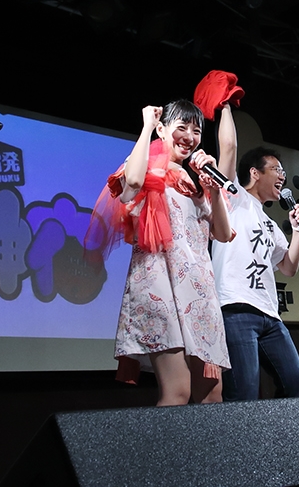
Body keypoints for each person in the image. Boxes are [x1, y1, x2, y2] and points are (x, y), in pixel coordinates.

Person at [88, 100, 234, 406]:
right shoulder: (145, 164)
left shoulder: (197, 180)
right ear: (162, 129)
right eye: (181, 127)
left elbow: (222, 234)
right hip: (159, 288)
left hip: (198, 293)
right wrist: (145, 126)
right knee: (177, 392)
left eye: (196, 131)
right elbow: (133, 182)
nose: (189, 137)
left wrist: (213, 188)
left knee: (212, 396)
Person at [210, 102, 299, 401]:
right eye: (276, 169)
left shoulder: (271, 225)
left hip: (270, 315)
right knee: (243, 394)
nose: (282, 176)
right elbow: (229, 147)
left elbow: (289, 268)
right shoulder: (233, 197)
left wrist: (297, 231)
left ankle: (278, 434)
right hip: (236, 308)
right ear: (254, 172)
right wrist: (225, 106)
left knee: (296, 384)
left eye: (283, 171)